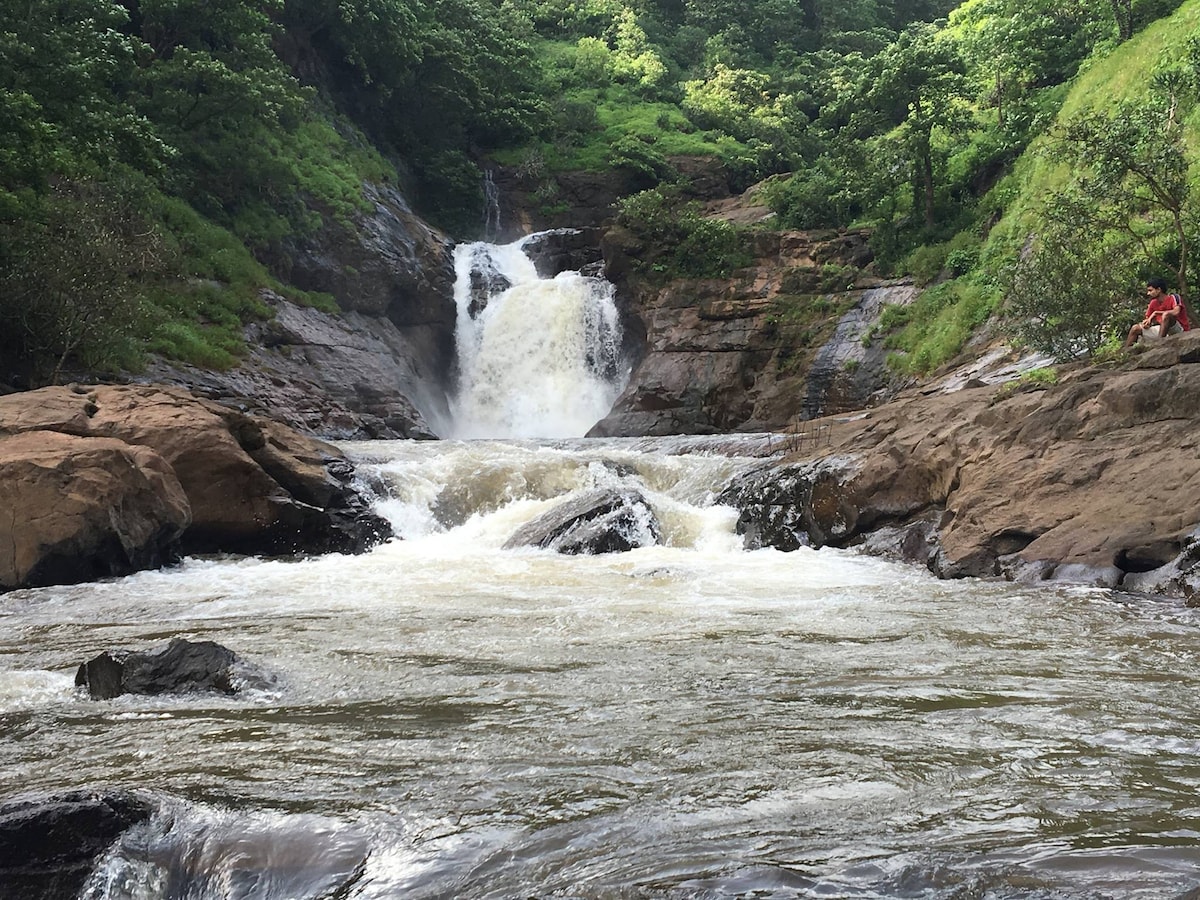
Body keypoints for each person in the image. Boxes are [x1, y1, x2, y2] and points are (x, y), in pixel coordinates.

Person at [1123, 277, 1191, 348]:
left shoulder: (1174, 297)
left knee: (1166, 315)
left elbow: (1176, 312)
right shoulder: (1153, 303)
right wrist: (1146, 323)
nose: (1148, 293)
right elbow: (1148, 319)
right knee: (1135, 328)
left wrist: (1156, 313)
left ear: (1158, 290)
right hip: (1163, 331)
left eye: (1150, 290)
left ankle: (1159, 344)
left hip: (1178, 330)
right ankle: (1125, 353)